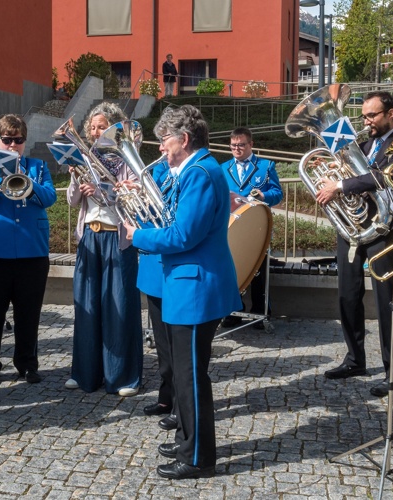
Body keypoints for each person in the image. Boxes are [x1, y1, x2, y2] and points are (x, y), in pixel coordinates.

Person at [124, 105, 242, 480]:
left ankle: (197, 458)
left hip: (196, 287)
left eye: (164, 141)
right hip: (188, 284)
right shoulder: (194, 170)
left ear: (184, 139)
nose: (160, 148)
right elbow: (174, 221)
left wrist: (137, 236)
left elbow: (182, 235)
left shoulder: (201, 173)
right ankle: (186, 438)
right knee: (185, 372)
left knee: (191, 377)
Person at [315, 91, 393, 398]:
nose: (367, 121)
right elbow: (347, 166)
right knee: (347, 296)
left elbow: (383, 177)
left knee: (387, 301)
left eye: (373, 116)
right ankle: (355, 358)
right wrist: (332, 173)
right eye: (365, 116)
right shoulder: (364, 143)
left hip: (382, 229)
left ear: (391, 114)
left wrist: (339, 185)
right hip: (352, 230)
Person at [0, 114, 57, 387]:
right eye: (7, 140)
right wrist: (4, 176)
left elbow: (49, 196)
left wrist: (26, 183)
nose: (13, 145)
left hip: (31, 250)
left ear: (24, 141)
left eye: (18, 140)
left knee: (28, 313)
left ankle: (27, 364)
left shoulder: (38, 166)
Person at [64, 103, 143, 396]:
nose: (97, 132)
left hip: (118, 238)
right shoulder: (86, 158)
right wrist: (76, 179)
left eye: (103, 127)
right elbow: (73, 202)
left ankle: (123, 377)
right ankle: (85, 373)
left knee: (119, 307)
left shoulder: (126, 159)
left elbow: (133, 198)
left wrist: (101, 191)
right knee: (87, 307)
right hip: (90, 238)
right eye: (94, 127)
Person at [220, 127, 283, 330]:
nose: (236, 149)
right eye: (233, 146)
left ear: (251, 145)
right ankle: (232, 311)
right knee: (230, 268)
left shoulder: (265, 166)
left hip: (256, 227)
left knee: (259, 270)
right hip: (230, 226)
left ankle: (260, 311)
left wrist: (264, 196)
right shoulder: (223, 168)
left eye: (241, 145)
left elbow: (277, 193)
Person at [136, 160, 177, 429]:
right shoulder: (158, 172)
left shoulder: (194, 174)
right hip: (154, 267)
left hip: (177, 269)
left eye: (165, 141)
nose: (161, 149)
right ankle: (166, 397)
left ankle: (183, 406)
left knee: (180, 345)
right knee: (162, 342)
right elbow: (142, 217)